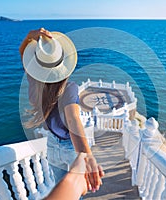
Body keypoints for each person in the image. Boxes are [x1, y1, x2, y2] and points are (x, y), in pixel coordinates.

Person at [19, 28, 104, 193]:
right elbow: (73, 119)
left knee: (60, 186)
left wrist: (30, 36)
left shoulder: (33, 81)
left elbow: (22, 53)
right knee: (74, 192)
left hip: (51, 144)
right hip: (71, 147)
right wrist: (85, 155)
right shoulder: (69, 88)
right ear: (63, 64)